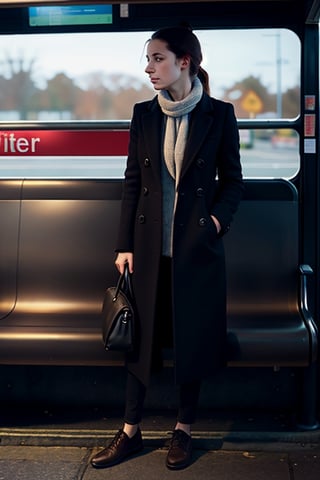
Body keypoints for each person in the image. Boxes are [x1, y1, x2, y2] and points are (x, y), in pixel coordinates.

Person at [91, 25, 244, 471]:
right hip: (146, 245)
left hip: (196, 247)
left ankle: (184, 429)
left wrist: (214, 223)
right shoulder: (144, 114)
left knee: (191, 337)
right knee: (138, 338)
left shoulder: (218, 114)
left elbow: (233, 184)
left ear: (185, 62)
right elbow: (133, 182)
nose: (148, 68)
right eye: (149, 59)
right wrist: (124, 244)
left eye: (157, 58)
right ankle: (130, 431)